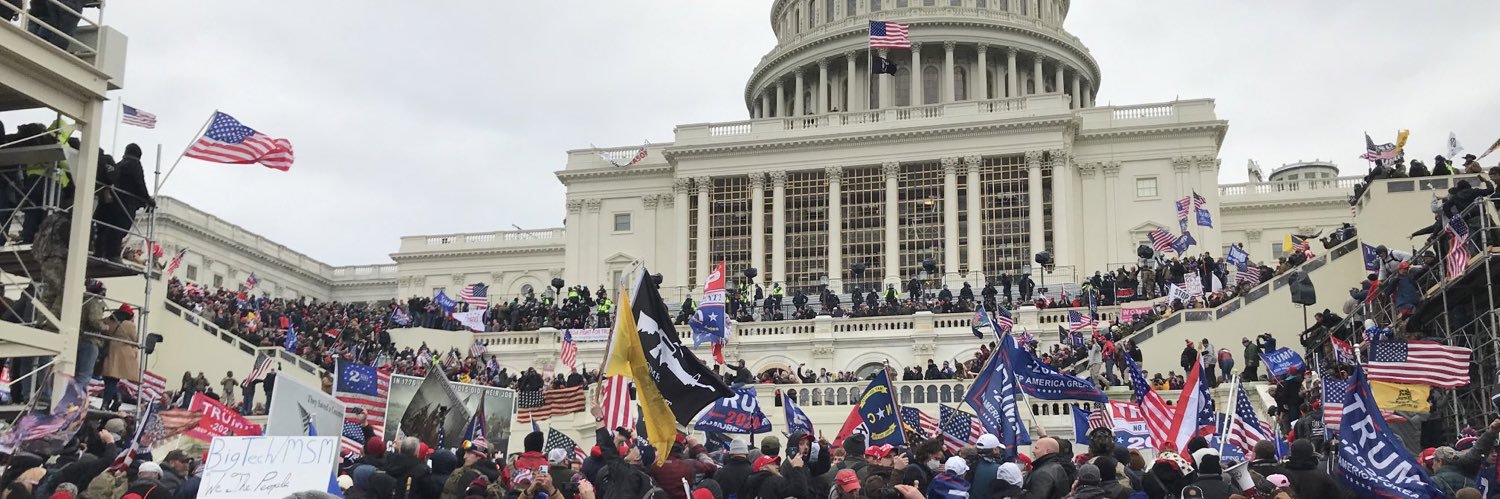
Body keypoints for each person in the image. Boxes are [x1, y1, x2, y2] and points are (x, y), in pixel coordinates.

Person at [94, 143, 152, 262]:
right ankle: (112, 254)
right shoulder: (134, 165)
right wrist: (148, 199)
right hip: (126, 203)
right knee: (120, 229)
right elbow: (139, 183)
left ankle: (100, 252)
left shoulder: (119, 165)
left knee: (106, 229)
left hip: (113, 203)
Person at [99, 304, 141, 411]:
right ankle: (109, 402)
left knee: (108, 380)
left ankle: (114, 398)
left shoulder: (107, 321)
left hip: (108, 353)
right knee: (113, 381)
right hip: (122, 357)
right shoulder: (129, 325)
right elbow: (135, 340)